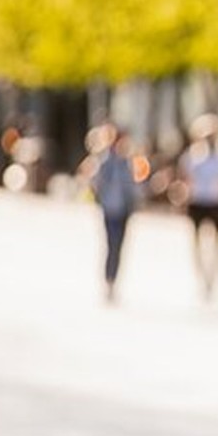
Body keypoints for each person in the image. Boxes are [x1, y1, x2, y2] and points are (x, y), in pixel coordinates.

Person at [178, 114, 218, 301]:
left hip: (215, 201)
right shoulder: (192, 156)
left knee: (216, 242)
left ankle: (213, 277)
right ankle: (201, 275)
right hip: (198, 200)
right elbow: (184, 179)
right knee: (197, 241)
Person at [90, 124, 140, 303]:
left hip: (124, 209)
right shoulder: (104, 162)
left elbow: (134, 186)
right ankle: (108, 279)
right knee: (111, 244)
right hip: (110, 209)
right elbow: (96, 183)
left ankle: (114, 279)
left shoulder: (128, 162)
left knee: (119, 246)